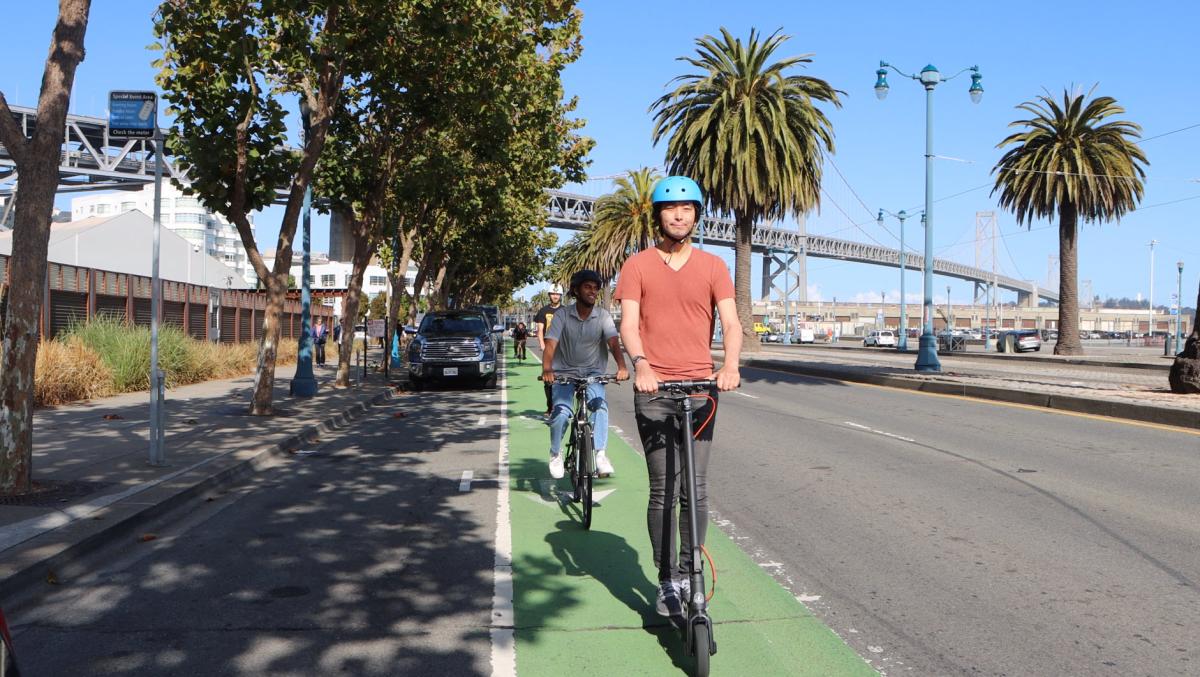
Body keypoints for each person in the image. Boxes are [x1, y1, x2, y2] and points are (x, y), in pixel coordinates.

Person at [614, 175, 742, 619]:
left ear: (697, 214)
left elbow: (731, 321)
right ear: (659, 216)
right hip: (654, 390)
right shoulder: (638, 265)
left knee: (697, 489)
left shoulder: (713, 266)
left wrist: (729, 365)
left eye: (687, 208)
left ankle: (690, 575)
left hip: (700, 389)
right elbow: (629, 323)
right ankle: (666, 580)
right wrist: (641, 364)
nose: (679, 215)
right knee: (663, 489)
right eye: (671, 209)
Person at [541, 270, 628, 480]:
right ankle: (555, 453)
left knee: (600, 406)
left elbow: (613, 342)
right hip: (564, 373)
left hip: (592, 373)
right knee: (561, 413)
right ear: (576, 290)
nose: (593, 291)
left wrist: (622, 367)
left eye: (596, 288)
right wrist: (547, 369)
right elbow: (551, 344)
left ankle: (600, 454)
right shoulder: (562, 315)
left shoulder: (603, 316)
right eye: (588, 287)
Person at [534, 285, 564, 418]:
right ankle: (550, 406)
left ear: (561, 296)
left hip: (564, 349)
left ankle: (563, 406)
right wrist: (542, 344)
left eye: (557, 294)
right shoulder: (543, 311)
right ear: (549, 295)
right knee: (548, 379)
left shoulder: (566, 310)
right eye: (553, 294)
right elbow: (540, 330)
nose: (555, 296)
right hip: (548, 348)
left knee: (565, 378)